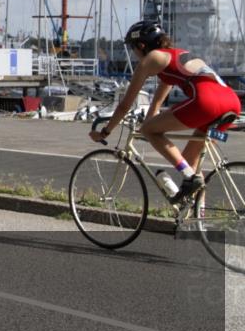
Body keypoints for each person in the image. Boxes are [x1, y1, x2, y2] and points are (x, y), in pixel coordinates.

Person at [89, 20, 241, 205]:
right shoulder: (175, 55)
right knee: (190, 163)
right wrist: (152, 112)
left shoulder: (151, 58)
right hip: (232, 102)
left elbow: (125, 105)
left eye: (133, 49)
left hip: (207, 103)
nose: (135, 55)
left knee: (148, 130)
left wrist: (105, 131)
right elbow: (165, 84)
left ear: (141, 45)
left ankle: (189, 177)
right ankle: (196, 220)